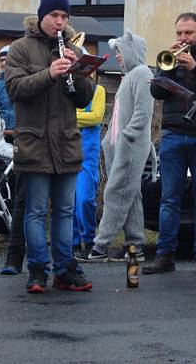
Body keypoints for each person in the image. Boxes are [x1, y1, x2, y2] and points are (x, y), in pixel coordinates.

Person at [5, 0, 95, 293]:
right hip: (34, 143)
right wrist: (49, 74)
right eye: (54, 16)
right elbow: (15, 88)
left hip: (66, 142)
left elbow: (84, 98)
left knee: (65, 211)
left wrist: (79, 71)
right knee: (35, 210)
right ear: (42, 16)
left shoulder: (73, 49)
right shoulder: (20, 49)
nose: (59, 22)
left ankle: (65, 269)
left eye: (64, 17)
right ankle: (38, 270)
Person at [142, 13, 196, 275]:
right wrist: (166, 69)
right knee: (169, 198)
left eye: (188, 33)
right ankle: (165, 254)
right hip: (174, 133)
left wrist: (195, 68)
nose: (182, 38)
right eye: (179, 33)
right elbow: (157, 93)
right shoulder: (169, 56)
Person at [83, 30, 154, 262]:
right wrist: (110, 142)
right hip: (119, 145)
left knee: (115, 193)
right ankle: (135, 246)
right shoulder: (130, 76)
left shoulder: (142, 73)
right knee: (130, 195)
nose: (118, 57)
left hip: (130, 146)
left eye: (121, 52)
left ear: (132, 51)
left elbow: (143, 113)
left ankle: (100, 247)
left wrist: (128, 136)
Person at [72, 79, 105, 260]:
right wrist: (83, 117)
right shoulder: (67, 89)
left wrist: (71, 117)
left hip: (87, 157)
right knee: (70, 201)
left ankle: (89, 239)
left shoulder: (98, 90)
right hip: (67, 153)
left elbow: (97, 117)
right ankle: (74, 242)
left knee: (85, 199)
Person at [0, 45, 16, 131]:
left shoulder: (24, 81)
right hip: (2, 132)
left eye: (7, 59)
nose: (4, 63)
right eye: (1, 60)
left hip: (21, 132)